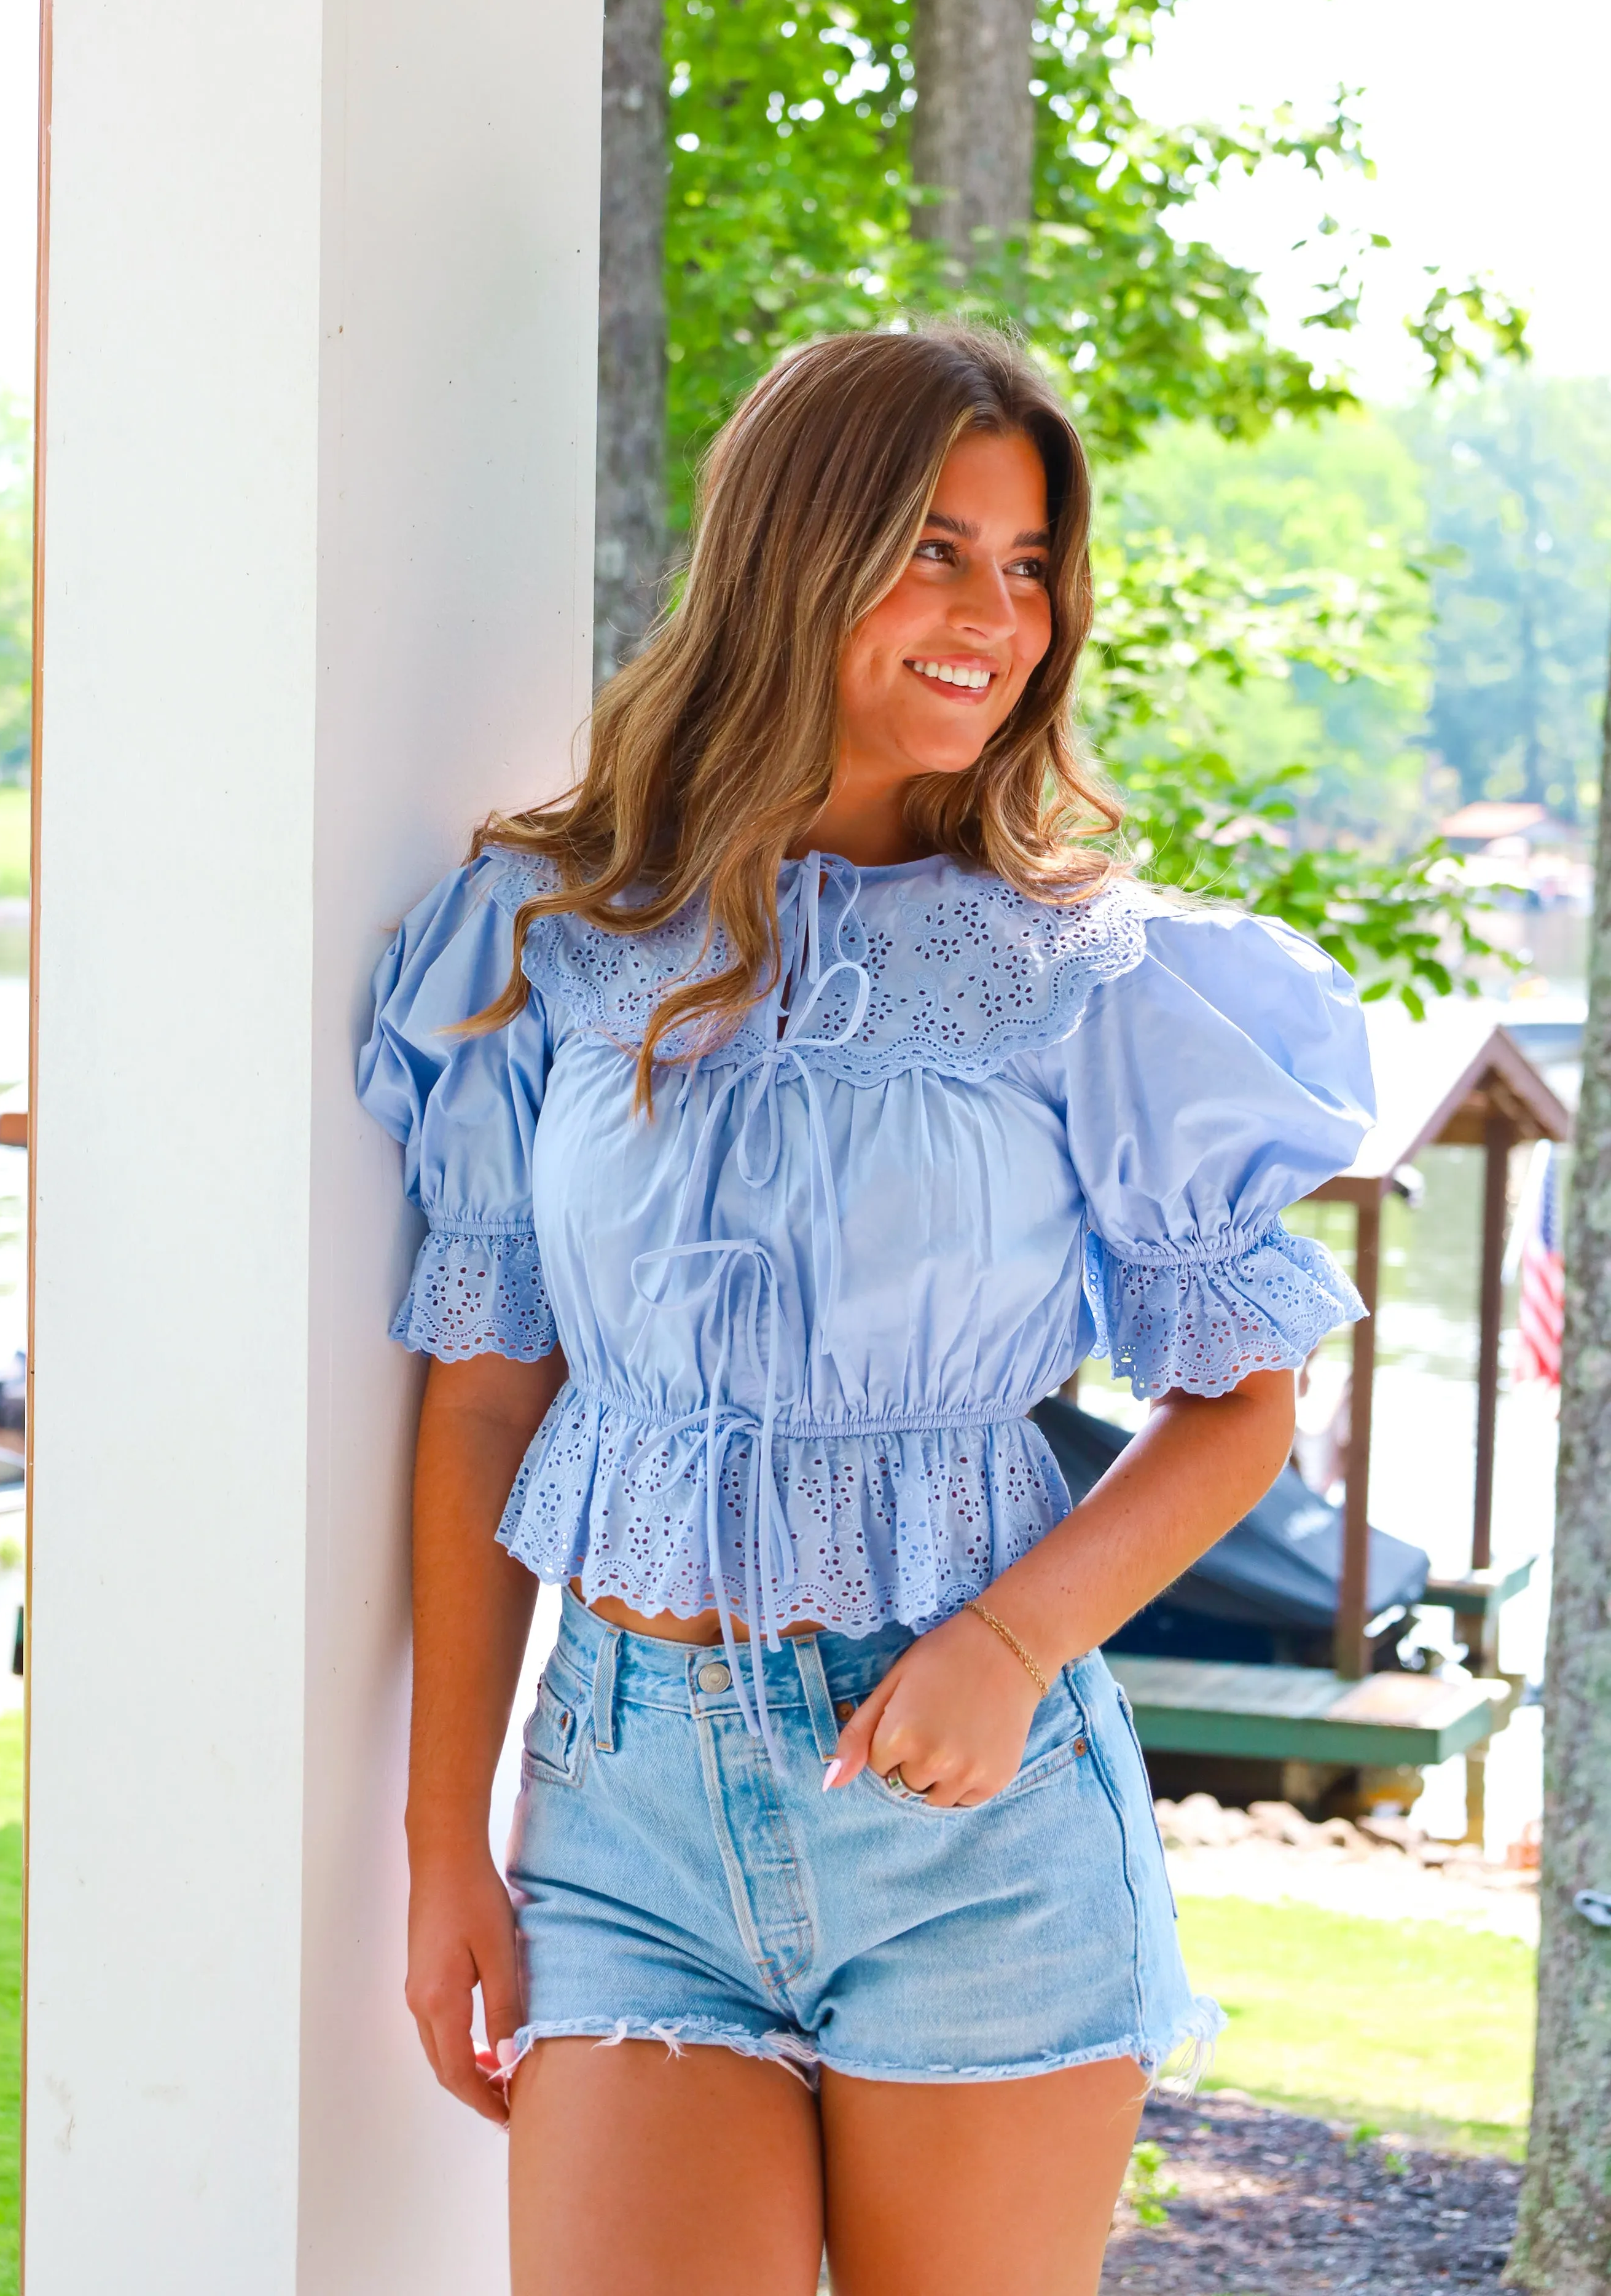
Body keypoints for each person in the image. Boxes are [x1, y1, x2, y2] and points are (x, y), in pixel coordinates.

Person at [358, 324, 1372, 2296]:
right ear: (789, 555)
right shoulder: (551, 939)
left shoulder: (1097, 977)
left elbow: (1239, 1405)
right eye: (931, 547)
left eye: (1026, 565)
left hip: (976, 1829)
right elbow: (484, 1402)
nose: (993, 613)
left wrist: (1012, 1641)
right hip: (623, 1804)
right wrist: (439, 1851)